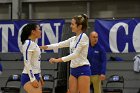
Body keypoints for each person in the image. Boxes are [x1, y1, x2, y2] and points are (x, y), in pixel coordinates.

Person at [40, 14, 91, 93]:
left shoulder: (83, 37)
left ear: (80, 27)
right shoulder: (73, 39)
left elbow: (75, 55)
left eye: (73, 24)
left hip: (83, 69)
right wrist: (45, 47)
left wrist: (57, 60)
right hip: (73, 70)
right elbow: (59, 44)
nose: (71, 26)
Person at [20, 23, 44, 93]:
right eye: (39, 29)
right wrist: (32, 79)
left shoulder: (34, 44)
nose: (40, 31)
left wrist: (39, 75)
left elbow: (36, 62)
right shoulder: (28, 43)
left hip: (36, 75)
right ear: (33, 31)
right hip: (28, 77)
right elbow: (27, 62)